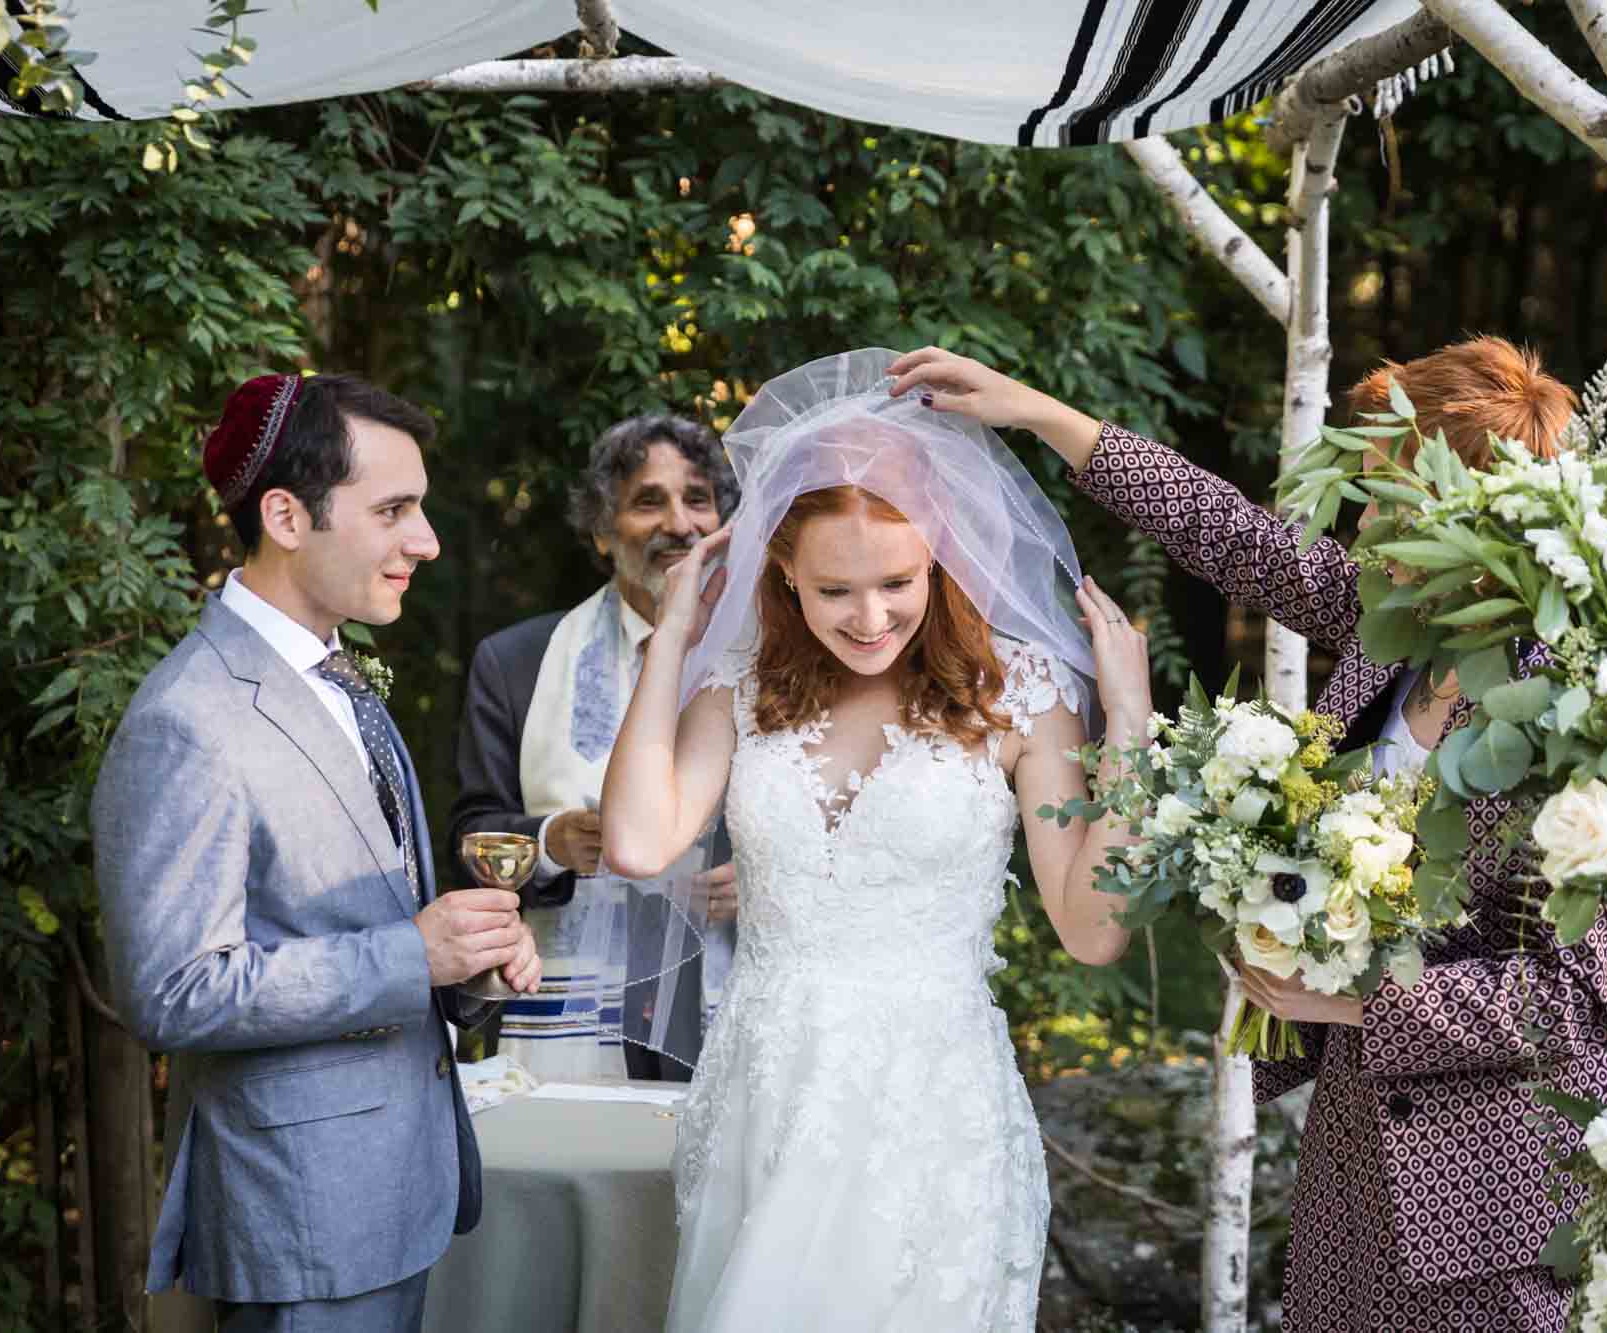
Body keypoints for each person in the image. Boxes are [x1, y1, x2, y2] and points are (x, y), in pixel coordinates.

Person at [887, 338, 1607, 1333]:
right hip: (1352, 1162)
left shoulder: (1577, 713)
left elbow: (1577, 1003)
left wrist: (1364, 998)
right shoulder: (1390, 627)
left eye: (1385, 501)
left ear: (1474, 510)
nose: (1361, 526)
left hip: (1494, 1202)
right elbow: (1230, 535)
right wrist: (1038, 412)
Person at [598, 348, 1152, 1331]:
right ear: (782, 572)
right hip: (764, 1097)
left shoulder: (1019, 695)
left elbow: (1090, 927)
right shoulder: (740, 682)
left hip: (930, 1117)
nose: (870, 617)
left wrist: (1131, 722)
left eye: (895, 581)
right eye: (834, 592)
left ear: (939, 550)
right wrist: (672, 641)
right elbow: (640, 843)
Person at [91, 373, 543, 1333]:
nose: (424, 540)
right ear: (287, 515)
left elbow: (367, 919)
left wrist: (467, 966)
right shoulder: (190, 719)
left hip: (392, 1196)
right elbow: (173, 988)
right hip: (301, 1221)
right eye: (394, 510)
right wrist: (411, 955)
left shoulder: (344, 677)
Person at [450, 414, 741, 1082]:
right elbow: (470, 837)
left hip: (740, 1006)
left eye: (698, 499)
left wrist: (763, 878)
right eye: (648, 500)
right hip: (573, 1027)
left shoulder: (779, 658)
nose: (681, 523)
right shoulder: (517, 662)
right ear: (602, 532)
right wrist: (551, 841)